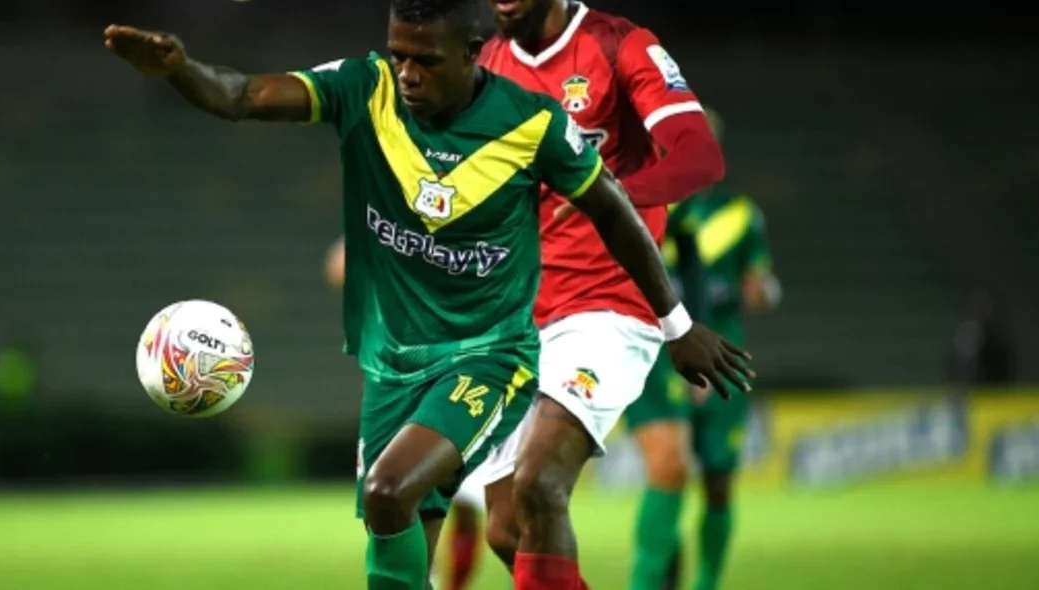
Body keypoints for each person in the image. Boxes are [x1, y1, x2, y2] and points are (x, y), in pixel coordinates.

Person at [106, 1, 750, 587]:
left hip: (544, 330)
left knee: (515, 485)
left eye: (424, 60)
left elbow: (661, 180)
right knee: (494, 529)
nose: (409, 73)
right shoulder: (406, 77)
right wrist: (179, 69)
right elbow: (249, 96)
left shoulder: (582, 78)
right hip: (450, 333)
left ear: (466, 54)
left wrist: (674, 318)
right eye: (400, 57)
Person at [443, 1, 731, 587]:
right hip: (518, 314)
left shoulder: (619, 46)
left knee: (540, 481)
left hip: (609, 305)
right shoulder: (488, 63)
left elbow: (698, 155)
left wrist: (608, 193)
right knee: (505, 529)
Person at [624, 107, 781, 590]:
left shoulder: (739, 215)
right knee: (668, 466)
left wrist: (761, 291)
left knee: (716, 481)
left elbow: (762, 282)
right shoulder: (644, 201)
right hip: (654, 355)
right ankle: (651, 579)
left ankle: (704, 582)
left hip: (723, 357)